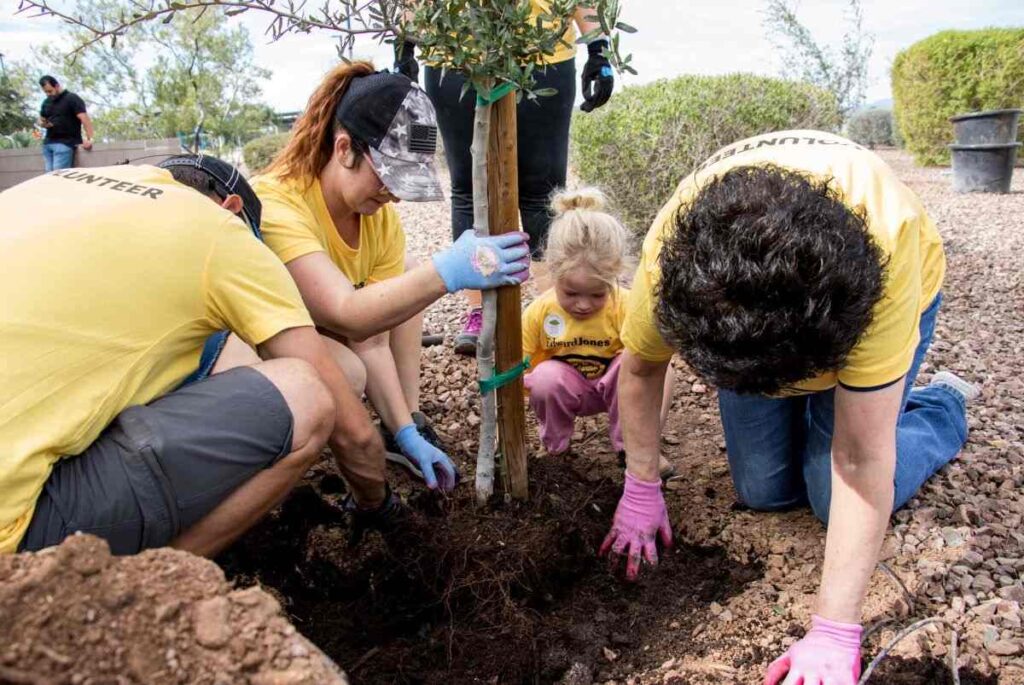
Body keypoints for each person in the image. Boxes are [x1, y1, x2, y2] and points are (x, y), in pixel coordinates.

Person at [604, 130, 977, 685]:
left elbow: (859, 458)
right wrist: (641, 484)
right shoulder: (676, 266)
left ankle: (942, 406)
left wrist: (834, 628)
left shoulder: (887, 267)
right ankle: (827, 416)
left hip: (866, 288)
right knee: (764, 491)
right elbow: (639, 370)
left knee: (831, 494)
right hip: (756, 317)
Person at [0, 154, 400, 557]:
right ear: (232, 208)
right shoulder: (221, 230)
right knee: (308, 394)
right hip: (17, 538)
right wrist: (378, 502)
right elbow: (354, 433)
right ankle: (151, 586)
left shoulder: (57, 186)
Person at [241, 62, 531, 493]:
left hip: (325, 327)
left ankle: (405, 420)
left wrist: (403, 431)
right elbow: (349, 315)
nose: (393, 193)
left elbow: (373, 337)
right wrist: (450, 270)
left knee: (407, 275)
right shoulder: (278, 206)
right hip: (251, 347)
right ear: (344, 149)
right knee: (348, 372)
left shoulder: (377, 217)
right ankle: (290, 454)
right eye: (388, 176)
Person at [395, 3, 615, 355]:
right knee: (469, 186)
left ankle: (551, 310)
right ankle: (479, 311)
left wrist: (598, 49)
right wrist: (404, 47)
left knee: (543, 189)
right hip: (453, 55)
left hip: (543, 50)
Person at [521, 188, 673, 477]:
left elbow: (652, 364)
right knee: (543, 377)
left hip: (620, 389)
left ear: (613, 279)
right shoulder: (539, 313)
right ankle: (555, 449)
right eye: (571, 293)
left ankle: (635, 448)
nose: (582, 304)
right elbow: (516, 367)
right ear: (552, 272)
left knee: (659, 368)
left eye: (596, 294)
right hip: (567, 390)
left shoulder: (626, 306)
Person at [38, 75, 94, 171]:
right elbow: (41, 118)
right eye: (45, 92)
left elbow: (84, 118)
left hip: (64, 143)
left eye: (50, 91)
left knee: (58, 178)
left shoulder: (72, 98)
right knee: (49, 179)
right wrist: (42, 123)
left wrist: (90, 138)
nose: (48, 94)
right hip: (48, 144)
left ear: (57, 86)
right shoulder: (46, 102)